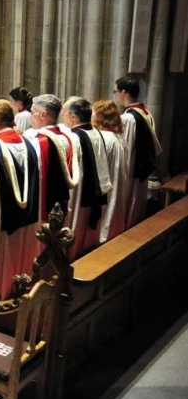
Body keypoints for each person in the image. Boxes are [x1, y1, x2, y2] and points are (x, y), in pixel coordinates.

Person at [0, 99, 41, 300]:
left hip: (2, 220)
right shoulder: (29, 144)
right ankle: (21, 293)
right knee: (21, 262)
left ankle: (0, 301)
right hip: (28, 220)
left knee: (1, 267)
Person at [61, 97, 111, 261]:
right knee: (86, 231)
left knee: (75, 226)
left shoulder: (74, 137)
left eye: (66, 114)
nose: (64, 117)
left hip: (80, 189)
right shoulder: (96, 131)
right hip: (95, 190)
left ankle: (72, 259)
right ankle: (85, 254)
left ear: (74, 117)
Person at [114, 75, 162, 227]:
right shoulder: (145, 112)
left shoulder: (128, 118)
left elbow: (125, 148)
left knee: (130, 202)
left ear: (124, 93)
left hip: (132, 168)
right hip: (141, 166)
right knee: (138, 201)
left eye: (116, 92)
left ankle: (127, 230)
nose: (115, 95)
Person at [25, 93, 78, 222]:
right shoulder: (68, 137)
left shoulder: (34, 140)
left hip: (40, 202)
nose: (30, 117)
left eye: (32, 113)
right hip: (62, 200)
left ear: (43, 114)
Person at [92, 99, 130, 243]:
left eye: (94, 112)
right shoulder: (118, 138)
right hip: (117, 188)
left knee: (104, 222)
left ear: (100, 116)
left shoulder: (103, 138)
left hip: (106, 191)